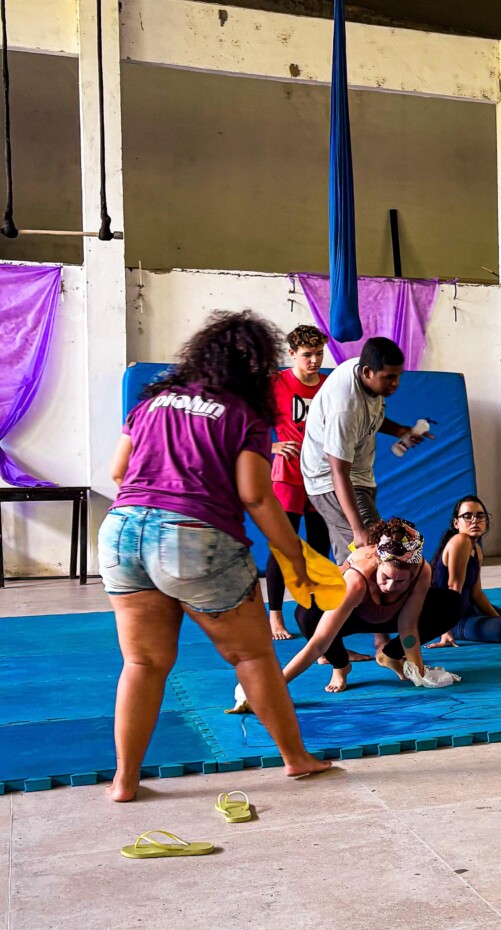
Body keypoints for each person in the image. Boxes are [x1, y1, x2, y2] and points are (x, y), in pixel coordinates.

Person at [99, 310, 331, 801]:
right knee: (251, 655)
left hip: (120, 532)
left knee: (141, 663)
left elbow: (117, 473)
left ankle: (124, 781)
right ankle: (297, 759)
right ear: (257, 366)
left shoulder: (152, 401)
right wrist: (293, 555)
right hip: (191, 537)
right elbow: (255, 494)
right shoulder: (245, 414)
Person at [300, 337, 428, 656]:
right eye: (389, 378)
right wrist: (360, 531)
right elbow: (337, 470)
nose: (395, 384)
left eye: (399, 376)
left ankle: (337, 642)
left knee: (351, 560)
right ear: (367, 371)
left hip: (359, 475)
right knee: (371, 554)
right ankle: (354, 646)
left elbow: (373, 417)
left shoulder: (367, 380)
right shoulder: (346, 404)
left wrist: (400, 431)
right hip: (332, 480)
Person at [279, 517, 464, 693]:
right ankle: (341, 666)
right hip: (353, 616)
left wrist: (419, 671)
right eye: (386, 577)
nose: (390, 587)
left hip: (391, 616)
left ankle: (390, 655)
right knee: (307, 613)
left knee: (451, 603)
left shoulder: (422, 571)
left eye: (400, 582)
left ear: (413, 572)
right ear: (377, 561)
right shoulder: (356, 581)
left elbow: (408, 627)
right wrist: (276, 685)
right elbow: (318, 644)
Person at [264, 324, 337, 643]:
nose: (314, 360)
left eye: (319, 353)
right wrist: (271, 446)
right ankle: (275, 614)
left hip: (321, 474)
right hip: (289, 476)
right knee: (284, 544)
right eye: (307, 355)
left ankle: (317, 611)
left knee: (319, 546)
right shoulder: (275, 384)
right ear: (291, 354)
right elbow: (244, 424)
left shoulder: (330, 384)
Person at [423, 496, 501, 648]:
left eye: (480, 516)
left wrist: (497, 619)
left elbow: (476, 593)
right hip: (449, 617)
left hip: (466, 609)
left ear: (486, 521)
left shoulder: (476, 549)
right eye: (467, 516)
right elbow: (453, 588)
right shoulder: (460, 541)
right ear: (456, 523)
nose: (475, 520)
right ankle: (451, 630)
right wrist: (445, 631)